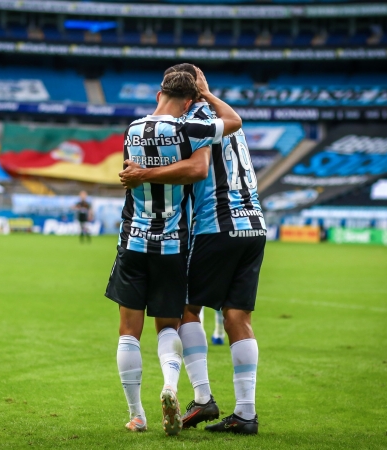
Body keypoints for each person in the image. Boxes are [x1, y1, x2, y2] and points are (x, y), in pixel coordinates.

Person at [120, 65, 265, 435]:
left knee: (183, 309)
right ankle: (245, 414)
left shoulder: (192, 119)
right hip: (254, 224)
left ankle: (202, 398)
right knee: (237, 318)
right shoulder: (226, 117)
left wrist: (144, 173)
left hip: (215, 223)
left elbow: (196, 169)